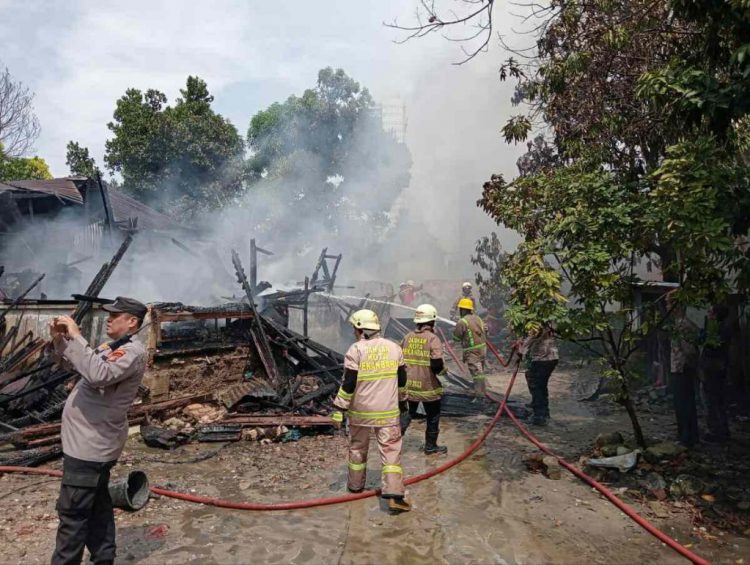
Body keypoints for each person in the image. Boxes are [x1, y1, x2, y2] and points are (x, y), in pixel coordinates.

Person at [49, 296, 148, 565]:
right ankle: (104, 558)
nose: (109, 319)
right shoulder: (112, 346)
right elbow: (75, 364)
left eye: (115, 316)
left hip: (91, 445)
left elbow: (98, 374)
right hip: (86, 442)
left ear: (132, 322)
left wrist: (78, 337)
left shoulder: (132, 352)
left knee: (73, 514)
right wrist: (60, 339)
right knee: (96, 507)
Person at [331, 309, 411, 512]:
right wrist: (403, 404)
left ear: (360, 328)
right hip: (387, 412)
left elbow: (349, 382)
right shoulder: (394, 348)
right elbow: (402, 381)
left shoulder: (355, 350)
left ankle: (356, 486)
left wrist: (339, 408)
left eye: (353, 328)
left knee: (358, 448)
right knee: (391, 451)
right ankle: (394, 494)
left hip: (360, 412)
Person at [401, 304, 447, 455]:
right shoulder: (433, 339)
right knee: (433, 416)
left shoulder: (407, 337)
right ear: (432, 321)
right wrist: (442, 371)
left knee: (407, 414)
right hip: (428, 387)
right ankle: (431, 446)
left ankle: (393, 444)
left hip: (409, 385)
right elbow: (437, 363)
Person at [668, 295, 700, 447]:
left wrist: (688, 367)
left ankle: (687, 438)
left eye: (669, 304)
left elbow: (689, 351)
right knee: (683, 404)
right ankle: (688, 436)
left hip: (682, 369)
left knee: (684, 404)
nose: (667, 307)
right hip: (680, 368)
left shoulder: (683, 325)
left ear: (677, 306)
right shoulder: (680, 324)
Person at [699, 304, 733, 443]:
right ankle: (721, 430)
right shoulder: (721, 328)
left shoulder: (718, 329)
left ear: (715, 315)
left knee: (712, 400)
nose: (708, 314)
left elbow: (709, 344)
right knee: (716, 401)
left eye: (710, 312)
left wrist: (703, 334)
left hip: (714, 368)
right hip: (717, 367)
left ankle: (716, 432)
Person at [519, 325, 559, 426]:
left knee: (535, 385)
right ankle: (544, 412)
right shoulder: (550, 321)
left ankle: (539, 416)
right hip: (552, 357)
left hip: (542, 358)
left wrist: (521, 349)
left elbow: (531, 338)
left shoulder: (535, 323)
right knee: (541, 384)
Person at [452, 298, 488, 397]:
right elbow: (485, 329)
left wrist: (454, 336)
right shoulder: (478, 318)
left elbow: (456, 337)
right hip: (482, 349)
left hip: (472, 351)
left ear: (463, 309)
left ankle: (480, 396)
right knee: (480, 371)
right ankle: (483, 392)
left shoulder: (462, 321)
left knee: (477, 374)